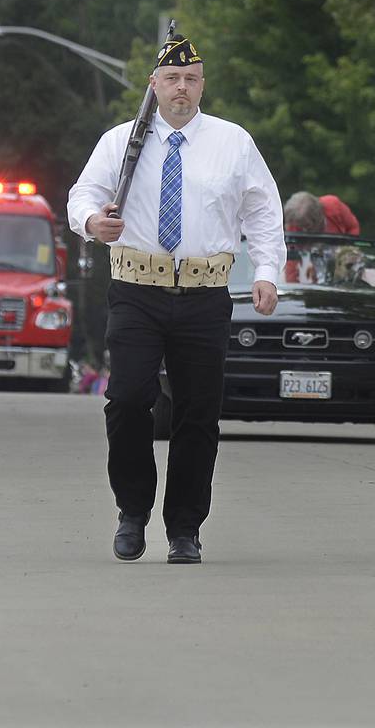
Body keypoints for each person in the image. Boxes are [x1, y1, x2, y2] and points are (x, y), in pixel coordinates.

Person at [68, 33, 283, 566]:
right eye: (172, 79)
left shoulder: (234, 142)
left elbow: (262, 211)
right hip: (137, 287)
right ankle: (132, 511)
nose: (181, 88)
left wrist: (268, 272)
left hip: (205, 292)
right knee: (127, 399)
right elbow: (82, 196)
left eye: (191, 79)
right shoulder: (122, 141)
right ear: (154, 85)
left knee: (197, 413)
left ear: (202, 84)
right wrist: (94, 222)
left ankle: (185, 527)